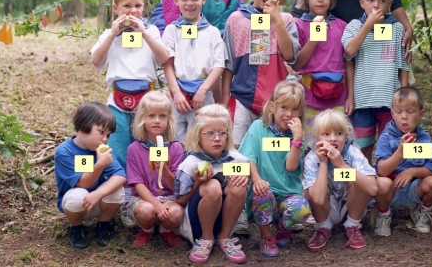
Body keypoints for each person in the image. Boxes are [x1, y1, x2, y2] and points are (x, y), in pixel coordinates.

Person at [90, 0, 169, 170]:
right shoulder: (109, 34)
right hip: (117, 99)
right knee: (118, 144)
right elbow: (96, 61)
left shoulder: (151, 31)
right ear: (116, 8)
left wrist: (144, 34)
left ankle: (148, 182)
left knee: (147, 142)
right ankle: (122, 184)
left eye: (138, 6)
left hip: (147, 98)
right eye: (127, 6)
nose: (133, 11)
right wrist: (112, 35)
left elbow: (164, 57)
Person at [222, 0, 300, 146]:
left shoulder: (287, 19)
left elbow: (290, 56)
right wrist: (224, 100)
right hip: (242, 99)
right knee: (238, 148)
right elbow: (228, 64)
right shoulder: (236, 19)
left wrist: (277, 21)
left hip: (276, 103)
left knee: (271, 149)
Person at [238, 80, 312, 257]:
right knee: (263, 193)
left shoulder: (297, 136)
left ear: (300, 112)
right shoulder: (258, 128)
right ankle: (266, 236)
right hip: (264, 190)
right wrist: (256, 179)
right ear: (272, 107)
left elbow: (291, 166)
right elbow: (248, 157)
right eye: (284, 108)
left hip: (288, 193)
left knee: (302, 210)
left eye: (295, 109)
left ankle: (281, 227)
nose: (289, 114)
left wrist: (297, 140)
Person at [342, 0, 410, 163]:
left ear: (389, 4)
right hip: (363, 100)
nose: (376, 5)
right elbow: (349, 52)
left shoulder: (396, 29)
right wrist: (368, 25)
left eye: (381, 1)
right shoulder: (355, 26)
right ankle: (365, 184)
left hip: (389, 99)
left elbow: (403, 64)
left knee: (391, 144)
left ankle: (386, 185)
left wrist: (404, 94)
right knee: (362, 147)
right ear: (362, 2)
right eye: (371, 0)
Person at [302, 109, 388, 252]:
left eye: (338, 133)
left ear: (346, 137)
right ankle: (322, 227)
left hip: (350, 206)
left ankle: (352, 226)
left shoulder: (353, 154)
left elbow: (373, 188)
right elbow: (316, 198)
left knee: (361, 180)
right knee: (311, 188)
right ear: (317, 138)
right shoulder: (312, 158)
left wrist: (342, 165)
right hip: (327, 208)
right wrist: (323, 163)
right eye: (326, 134)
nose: (333, 138)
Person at [174, 104, 250, 264]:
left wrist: (245, 177)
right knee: (212, 186)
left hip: (225, 219)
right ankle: (205, 239)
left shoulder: (236, 159)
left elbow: (247, 179)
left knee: (238, 185)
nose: (217, 138)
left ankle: (225, 236)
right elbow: (179, 200)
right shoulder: (191, 163)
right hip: (197, 223)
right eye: (210, 133)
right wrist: (199, 183)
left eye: (222, 133)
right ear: (197, 135)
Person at [162, 0, 225, 141]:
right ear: (175, 0)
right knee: (175, 140)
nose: (190, 3)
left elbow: (219, 65)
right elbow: (167, 63)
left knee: (201, 139)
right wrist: (176, 92)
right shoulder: (171, 30)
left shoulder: (212, 32)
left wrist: (203, 90)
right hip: (178, 94)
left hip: (203, 95)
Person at [374, 86, 432, 235]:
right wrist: (400, 151)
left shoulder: (424, 139)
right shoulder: (386, 137)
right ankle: (384, 215)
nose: (404, 116)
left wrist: (412, 171)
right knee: (380, 183)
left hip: (414, 188)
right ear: (392, 114)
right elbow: (382, 170)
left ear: (421, 114)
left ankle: (421, 211)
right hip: (391, 188)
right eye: (399, 112)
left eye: (410, 112)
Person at [54, 102, 127, 250]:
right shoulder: (64, 152)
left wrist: (98, 194)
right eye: (101, 132)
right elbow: (83, 184)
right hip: (76, 205)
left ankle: (104, 224)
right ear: (83, 126)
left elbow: (120, 175)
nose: (105, 139)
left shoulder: (100, 150)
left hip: (97, 201)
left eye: (108, 135)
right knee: (78, 195)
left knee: (118, 190)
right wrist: (100, 164)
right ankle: (76, 228)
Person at [291, 0, 353, 144]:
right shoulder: (299, 25)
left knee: (337, 141)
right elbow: (296, 65)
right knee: (311, 143)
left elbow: (349, 62)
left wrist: (351, 97)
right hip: (310, 97)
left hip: (338, 97)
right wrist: (314, 38)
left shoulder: (341, 26)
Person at [125, 91, 185, 249]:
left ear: (169, 119)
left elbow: (176, 186)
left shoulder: (176, 148)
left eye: (162, 116)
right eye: (151, 116)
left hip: (168, 197)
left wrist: (164, 169)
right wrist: (156, 205)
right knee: (146, 210)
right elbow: (137, 183)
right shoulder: (134, 149)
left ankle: (166, 230)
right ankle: (147, 229)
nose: (157, 121)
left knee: (177, 213)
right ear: (142, 119)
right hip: (143, 200)